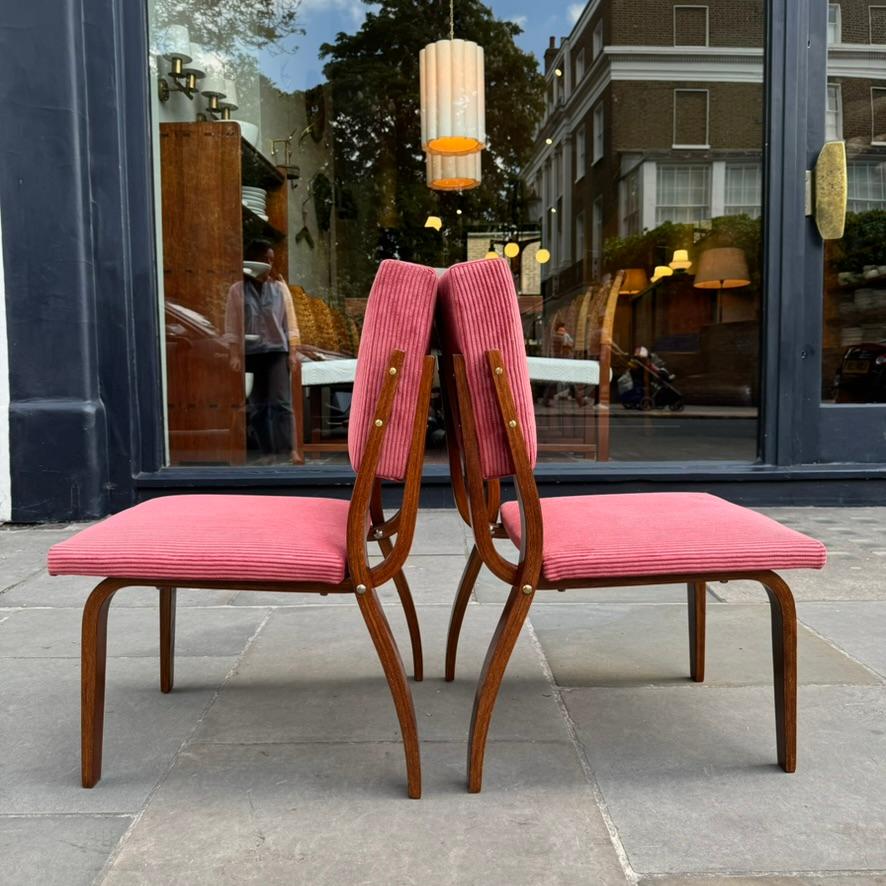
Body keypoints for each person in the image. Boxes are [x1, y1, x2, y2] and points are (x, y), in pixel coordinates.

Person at [225, 240, 299, 463]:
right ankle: (267, 452)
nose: (269, 263)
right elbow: (232, 323)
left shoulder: (278, 288)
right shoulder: (238, 289)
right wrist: (234, 354)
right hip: (252, 353)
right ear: (253, 260)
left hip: (277, 351)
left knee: (281, 402)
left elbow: (290, 321)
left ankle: (288, 451)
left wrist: (292, 352)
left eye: (271, 260)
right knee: (257, 405)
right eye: (265, 259)